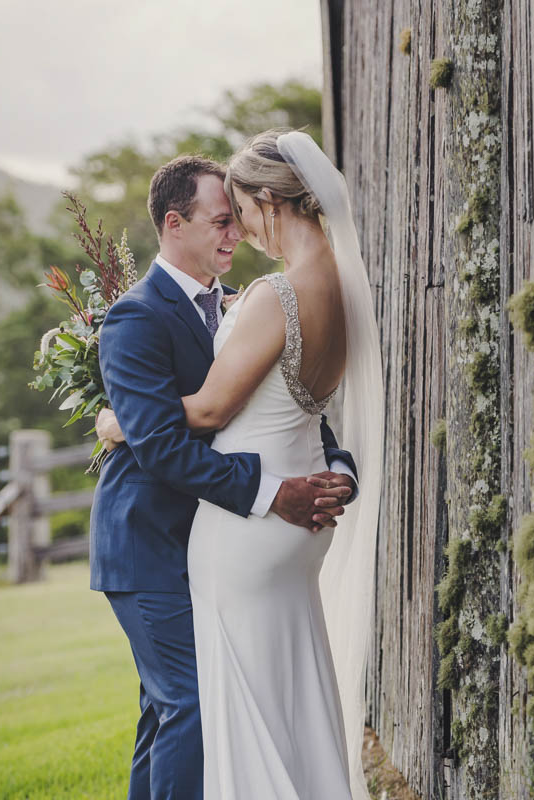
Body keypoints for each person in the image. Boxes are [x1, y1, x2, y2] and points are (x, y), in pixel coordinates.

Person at [95, 129, 385, 799]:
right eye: (220, 219)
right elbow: (171, 444)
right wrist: (275, 485)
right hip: (153, 537)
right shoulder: (136, 318)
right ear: (175, 224)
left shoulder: (258, 300)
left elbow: (261, 404)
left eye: (239, 215)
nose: (236, 232)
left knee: (191, 708)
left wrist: (121, 422)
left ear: (268, 199)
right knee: (190, 706)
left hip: (242, 531)